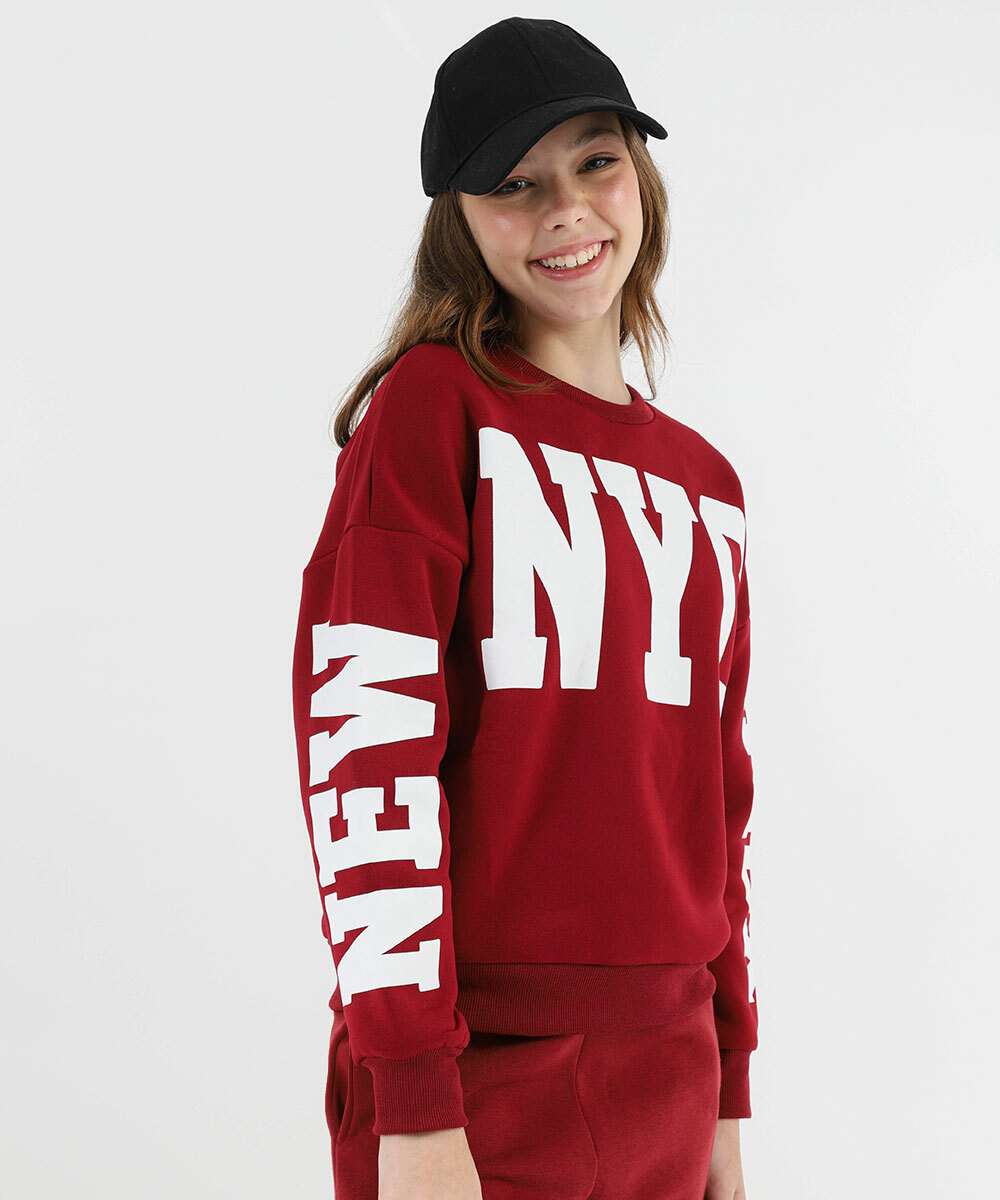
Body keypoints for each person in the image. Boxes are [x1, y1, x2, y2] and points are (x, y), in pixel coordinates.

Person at [291, 17, 758, 1200]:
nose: (566, 210)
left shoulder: (704, 485)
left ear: (638, 174)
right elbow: (366, 752)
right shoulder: (434, 411)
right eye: (515, 183)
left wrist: (726, 1088)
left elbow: (717, 798)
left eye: (596, 161)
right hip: (474, 1088)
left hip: (670, 1076)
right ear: (458, 216)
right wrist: (413, 1100)